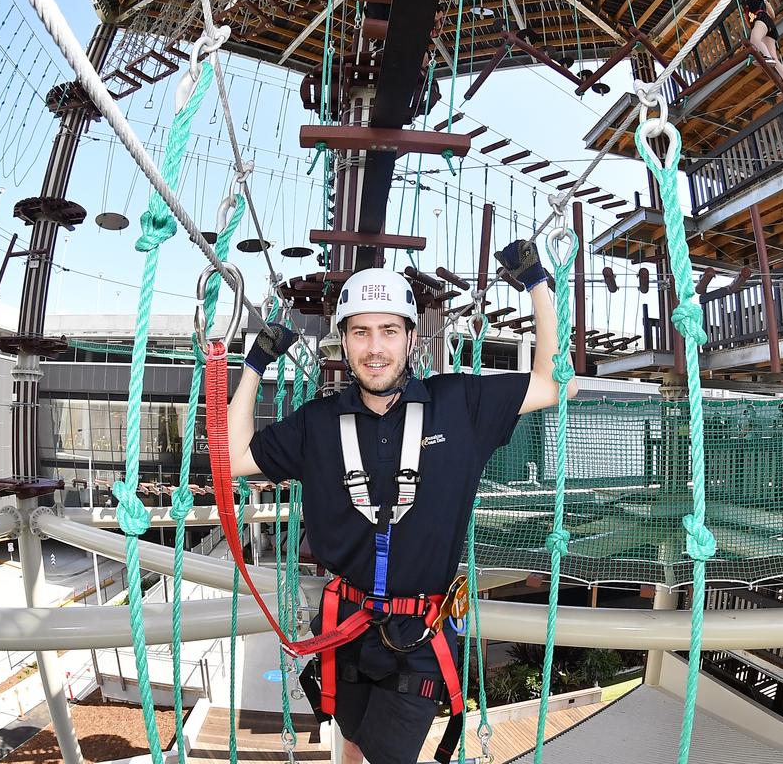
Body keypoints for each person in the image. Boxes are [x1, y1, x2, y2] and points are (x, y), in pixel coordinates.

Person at [227, 241, 577, 764]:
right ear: (342, 343)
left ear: (411, 339)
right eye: (360, 332)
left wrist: (536, 285)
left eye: (389, 331)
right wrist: (254, 363)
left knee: (385, 755)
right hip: (344, 626)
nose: (375, 348)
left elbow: (554, 384)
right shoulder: (318, 424)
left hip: (418, 636)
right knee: (350, 742)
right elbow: (234, 458)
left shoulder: (459, 404)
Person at [744, 0, 783, 93]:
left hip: (761, 20)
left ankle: (767, 57)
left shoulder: (754, 0)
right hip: (767, 24)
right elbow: (772, 15)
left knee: (754, 39)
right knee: (775, 58)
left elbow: (750, 23)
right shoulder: (760, 2)